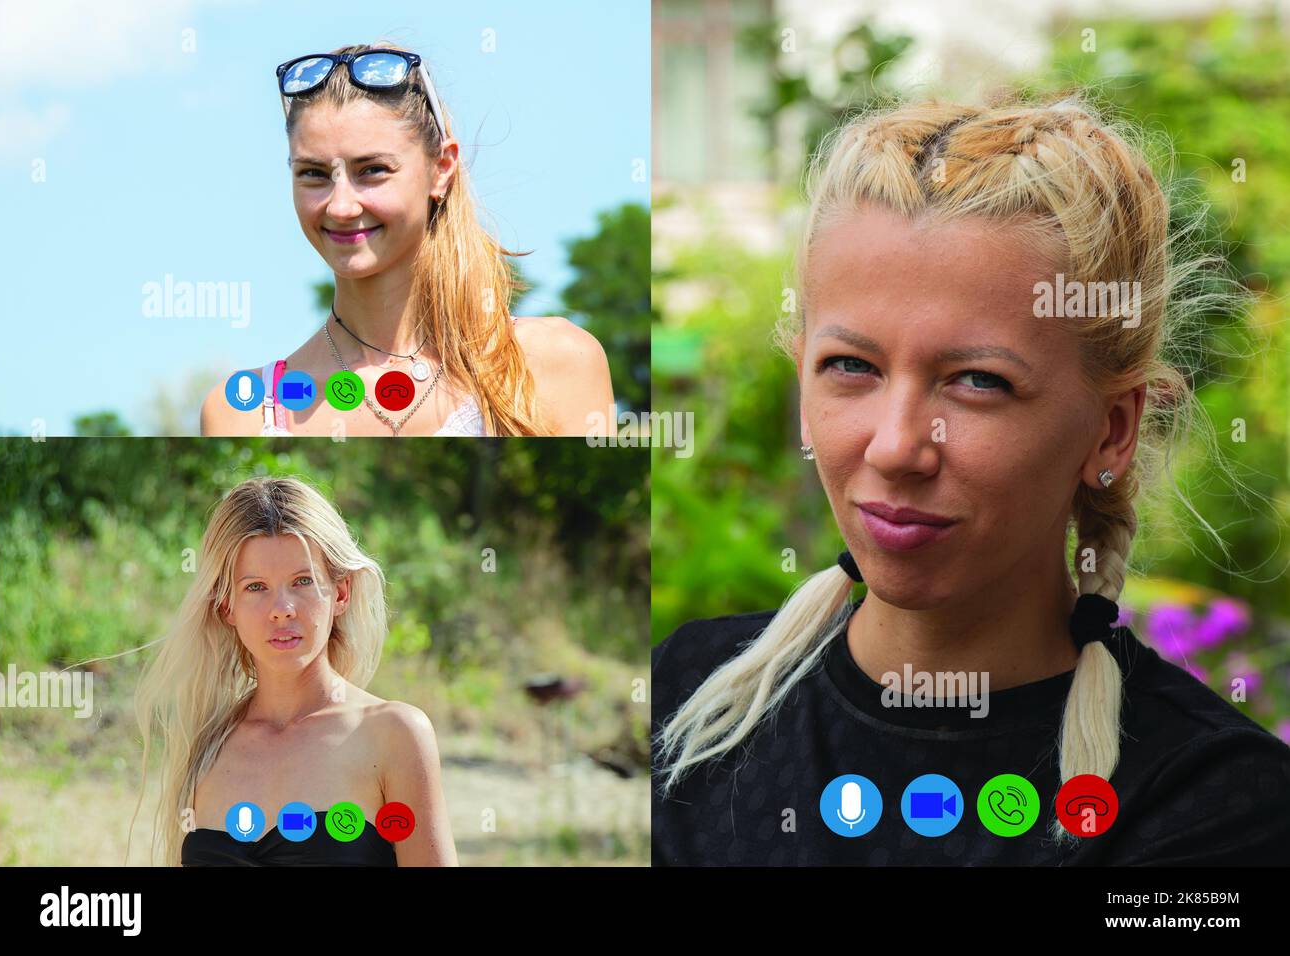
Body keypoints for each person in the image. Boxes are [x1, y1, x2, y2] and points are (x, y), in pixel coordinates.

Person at [652, 98, 1290, 866]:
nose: (895, 448)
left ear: (1111, 428)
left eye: (978, 382)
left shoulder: (1216, 805)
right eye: (850, 367)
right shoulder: (689, 697)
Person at [200, 44, 614, 437]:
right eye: (313, 174)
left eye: (373, 170)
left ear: (441, 168)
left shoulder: (557, 363)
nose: (340, 206)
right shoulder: (243, 410)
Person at [130, 476, 458, 866]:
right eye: (255, 587)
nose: (282, 608)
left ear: (340, 593)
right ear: (226, 607)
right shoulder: (206, 746)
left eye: (303, 581)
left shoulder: (394, 735)